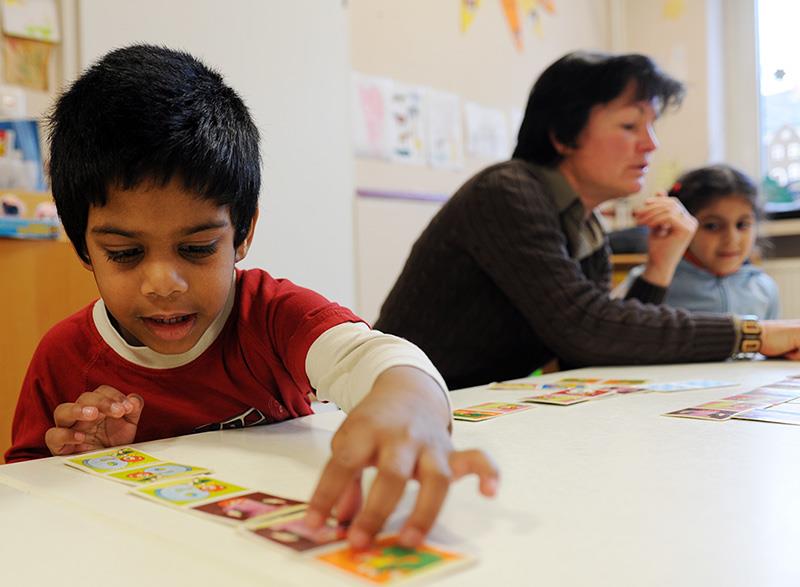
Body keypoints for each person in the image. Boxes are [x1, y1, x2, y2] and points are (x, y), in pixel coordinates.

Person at [5, 45, 498, 550]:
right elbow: (23, 495)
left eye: (197, 248)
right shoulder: (64, 356)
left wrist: (410, 404)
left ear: (243, 233)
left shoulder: (272, 315)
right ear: (81, 243)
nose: (163, 282)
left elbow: (372, 358)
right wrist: (80, 458)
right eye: (125, 252)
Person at [374, 51, 800, 391]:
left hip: (472, 407)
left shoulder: (585, 222)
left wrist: (660, 265)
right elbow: (586, 327)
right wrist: (754, 334)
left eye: (651, 126)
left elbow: (594, 350)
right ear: (562, 135)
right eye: (631, 125)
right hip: (397, 405)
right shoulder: (506, 191)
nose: (651, 144)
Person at [617, 164, 780, 319]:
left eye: (742, 225)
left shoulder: (764, 289)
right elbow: (620, 338)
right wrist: (653, 279)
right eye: (712, 226)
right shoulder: (650, 281)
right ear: (684, 225)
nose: (731, 239)